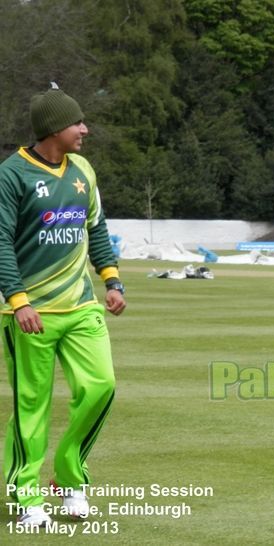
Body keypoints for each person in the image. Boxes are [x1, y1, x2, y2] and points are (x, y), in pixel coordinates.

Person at [0, 83, 126, 527]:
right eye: (78, 123)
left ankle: (69, 478)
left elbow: (97, 227)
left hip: (82, 308)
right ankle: (27, 496)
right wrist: (18, 301)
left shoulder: (83, 170)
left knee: (101, 388)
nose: (85, 130)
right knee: (31, 408)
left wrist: (111, 280)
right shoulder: (11, 175)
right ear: (54, 128)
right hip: (31, 314)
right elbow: (0, 242)